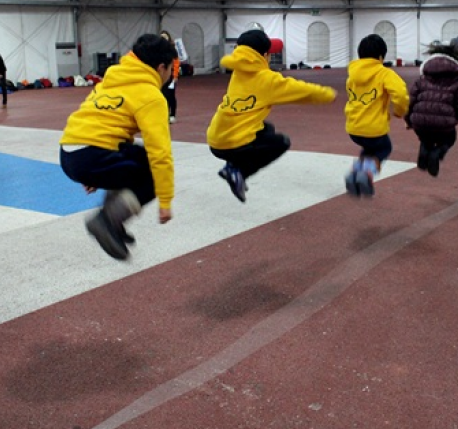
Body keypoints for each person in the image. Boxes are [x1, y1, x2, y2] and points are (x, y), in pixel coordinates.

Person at [59, 33, 178, 260]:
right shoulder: (151, 96)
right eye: (171, 69)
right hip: (92, 155)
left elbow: (99, 123)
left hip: (69, 152)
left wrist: (92, 173)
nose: (170, 75)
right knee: (152, 171)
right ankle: (106, 220)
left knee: (137, 157)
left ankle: (112, 221)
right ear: (161, 67)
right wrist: (165, 201)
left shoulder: (112, 79)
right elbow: (160, 153)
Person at [207, 29, 336, 202]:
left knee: (267, 129)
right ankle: (238, 171)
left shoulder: (237, 72)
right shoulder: (267, 79)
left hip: (215, 138)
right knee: (281, 142)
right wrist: (328, 94)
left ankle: (234, 164)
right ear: (265, 55)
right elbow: (300, 90)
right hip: (232, 144)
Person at [344, 34, 409, 196]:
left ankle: (354, 173)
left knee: (368, 150)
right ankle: (366, 174)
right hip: (374, 128)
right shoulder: (384, 73)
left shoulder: (352, 74)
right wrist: (400, 111)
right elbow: (400, 94)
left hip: (354, 127)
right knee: (384, 148)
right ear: (381, 57)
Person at [404, 42, 458, 177]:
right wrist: (457, 117)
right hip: (444, 123)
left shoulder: (422, 78)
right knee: (449, 139)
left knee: (426, 137)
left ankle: (424, 155)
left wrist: (408, 120)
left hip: (420, 121)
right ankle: (436, 153)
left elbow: (411, 100)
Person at [159, 30, 180, 124]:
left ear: (168, 37)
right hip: (162, 76)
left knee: (170, 95)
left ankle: (172, 115)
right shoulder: (158, 49)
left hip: (171, 75)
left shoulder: (172, 49)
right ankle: (165, 114)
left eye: (165, 36)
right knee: (162, 95)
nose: (163, 38)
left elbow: (176, 63)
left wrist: (175, 76)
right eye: (162, 37)